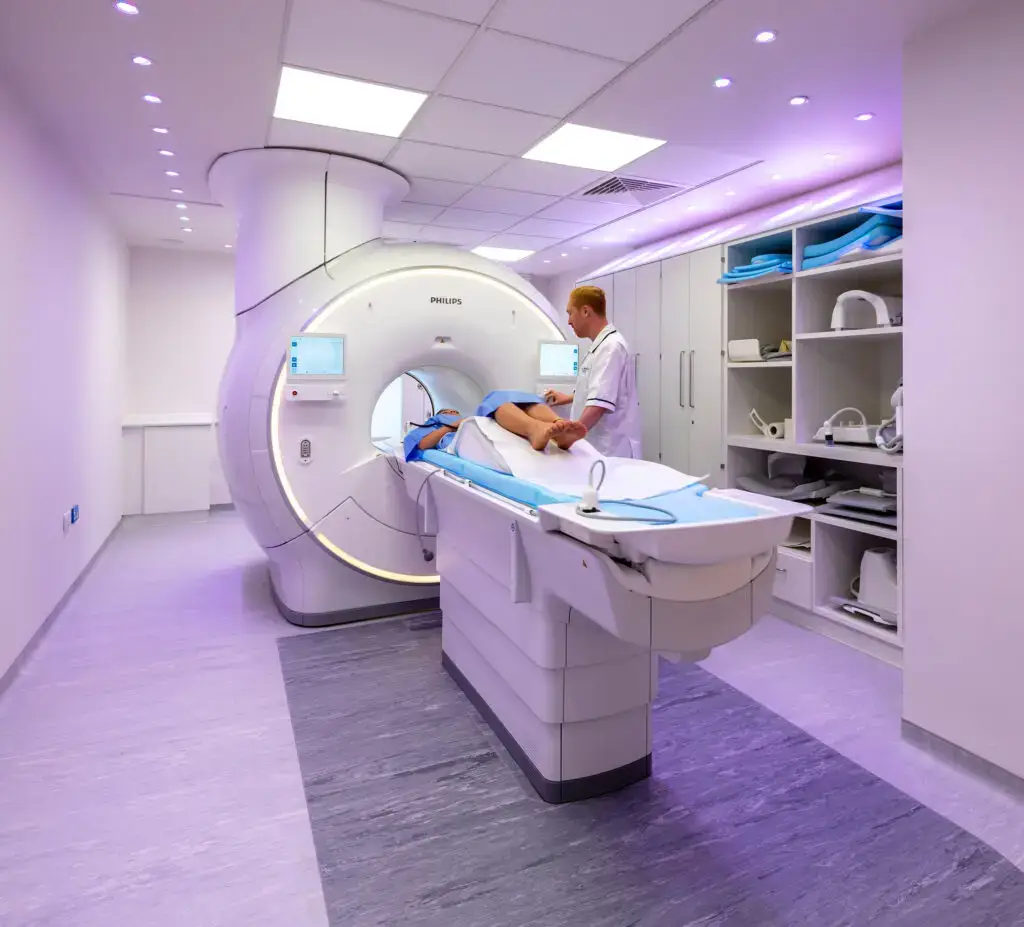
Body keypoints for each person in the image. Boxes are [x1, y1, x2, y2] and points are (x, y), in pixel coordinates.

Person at [543, 285, 640, 458]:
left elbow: (598, 405)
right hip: (599, 449)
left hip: (610, 451)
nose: (569, 321)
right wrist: (568, 398)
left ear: (586, 311)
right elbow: (600, 389)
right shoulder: (600, 346)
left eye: (570, 313)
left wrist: (570, 437)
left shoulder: (610, 347)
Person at [403, 390, 588, 461]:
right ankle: (537, 429)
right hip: (465, 436)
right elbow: (420, 446)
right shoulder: (430, 426)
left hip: (483, 425)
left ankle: (556, 426)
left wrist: (463, 420)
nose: (452, 413)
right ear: (438, 416)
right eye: (447, 412)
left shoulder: (467, 418)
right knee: (493, 399)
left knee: (512, 402)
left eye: (453, 411)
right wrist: (452, 426)